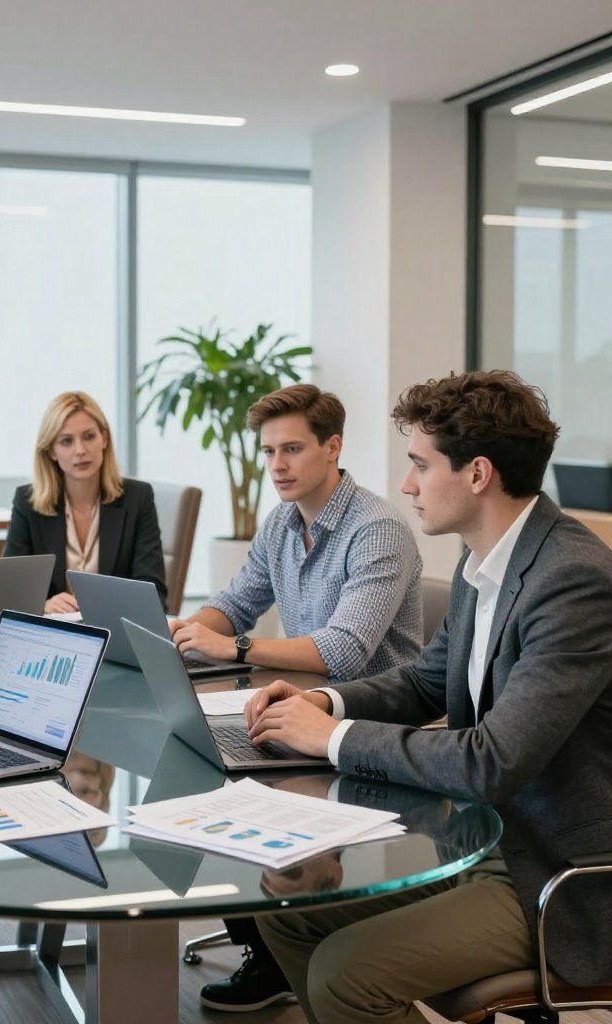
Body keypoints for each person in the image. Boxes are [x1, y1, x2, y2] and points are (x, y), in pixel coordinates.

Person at [244, 370, 612, 1024]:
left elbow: (491, 759)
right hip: (485, 845)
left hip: (559, 878)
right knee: (288, 918)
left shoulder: (573, 579)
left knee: (343, 974)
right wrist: (324, 707)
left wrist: (330, 740)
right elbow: (422, 683)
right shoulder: (485, 561)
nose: (407, 484)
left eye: (419, 464)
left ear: (477, 474)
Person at [169, 384, 423, 1013]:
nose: (277, 466)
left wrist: (232, 649)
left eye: (292, 449)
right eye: (269, 452)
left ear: (332, 447)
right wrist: (186, 631)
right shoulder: (283, 523)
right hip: (293, 710)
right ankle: (271, 948)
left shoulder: (378, 530)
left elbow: (343, 652)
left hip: (363, 723)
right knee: (190, 770)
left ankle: (274, 952)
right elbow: (235, 604)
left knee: (219, 793)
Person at [3, 391, 167, 613]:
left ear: (104, 439)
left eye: (89, 436)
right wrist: (43, 605)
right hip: (53, 632)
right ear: (51, 450)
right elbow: (11, 590)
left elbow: (153, 591)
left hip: (114, 630)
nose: (80, 450)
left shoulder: (137, 497)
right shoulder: (27, 503)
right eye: (66, 441)